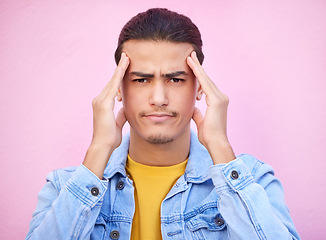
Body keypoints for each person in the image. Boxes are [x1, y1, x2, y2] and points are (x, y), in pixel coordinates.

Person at [26, 8, 300, 240]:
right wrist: (99, 149)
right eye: (141, 79)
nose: (159, 98)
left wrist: (219, 146)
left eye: (176, 79)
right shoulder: (64, 187)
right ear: (118, 89)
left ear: (201, 89)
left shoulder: (255, 182)